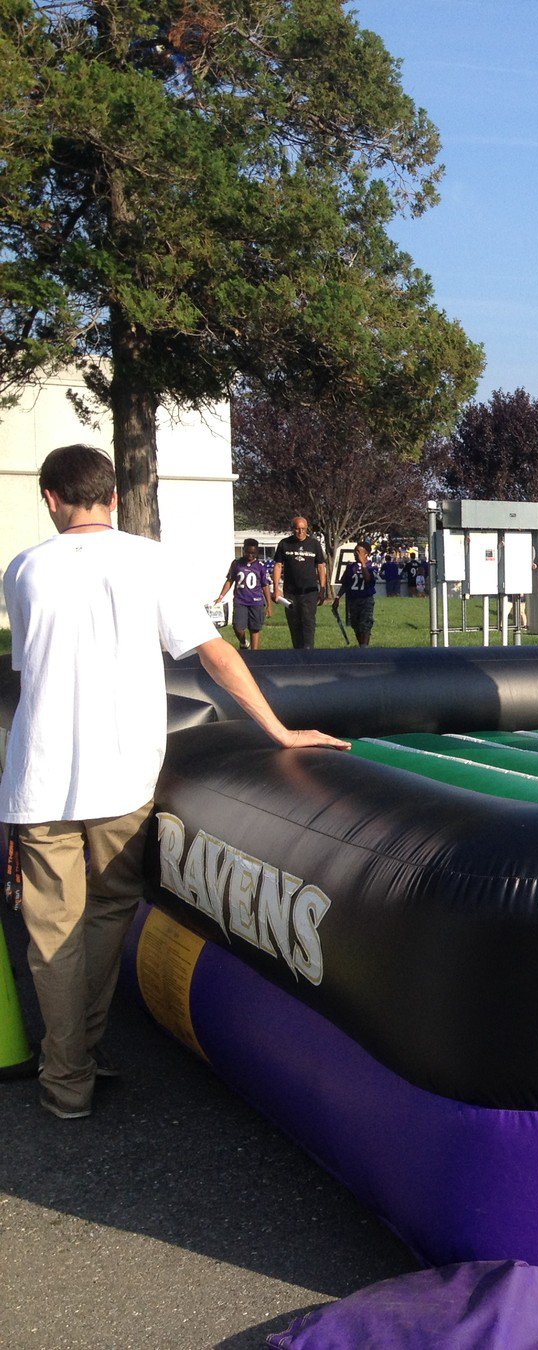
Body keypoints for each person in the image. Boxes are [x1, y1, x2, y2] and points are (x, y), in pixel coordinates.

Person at [2, 445, 348, 1121]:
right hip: (123, 774)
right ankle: (77, 1057)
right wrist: (278, 730)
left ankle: (66, 1074)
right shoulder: (148, 560)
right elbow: (214, 653)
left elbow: (31, 671)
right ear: (112, 497)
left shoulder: (25, 568)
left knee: (50, 934)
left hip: (39, 779)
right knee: (104, 915)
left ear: (50, 498)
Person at [271, 515, 329, 649]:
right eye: (297, 529)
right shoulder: (284, 544)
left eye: (303, 529)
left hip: (309, 591)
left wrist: (322, 588)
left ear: (307, 529)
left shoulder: (314, 544)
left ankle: (308, 649)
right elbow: (278, 566)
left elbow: (320, 567)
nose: (300, 532)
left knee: (308, 621)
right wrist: (276, 588)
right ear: (292, 529)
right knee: (294, 622)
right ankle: (297, 651)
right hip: (290, 592)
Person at [213, 537, 272, 651]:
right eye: (248, 552)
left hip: (256, 602)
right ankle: (244, 642)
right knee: (238, 627)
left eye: (253, 553)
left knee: (254, 629)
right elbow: (230, 581)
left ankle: (254, 653)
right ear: (244, 550)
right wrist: (220, 597)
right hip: (240, 601)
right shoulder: (237, 564)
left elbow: (265, 586)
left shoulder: (260, 566)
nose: (250, 555)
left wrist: (269, 604)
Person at [333, 542, 379, 647]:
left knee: (365, 624)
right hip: (352, 599)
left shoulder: (372, 567)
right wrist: (337, 597)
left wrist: (363, 563)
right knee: (356, 625)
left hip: (366, 599)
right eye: (355, 551)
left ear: (366, 553)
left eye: (358, 551)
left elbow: (368, 579)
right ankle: (361, 645)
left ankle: (364, 647)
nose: (355, 553)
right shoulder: (350, 567)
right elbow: (345, 584)